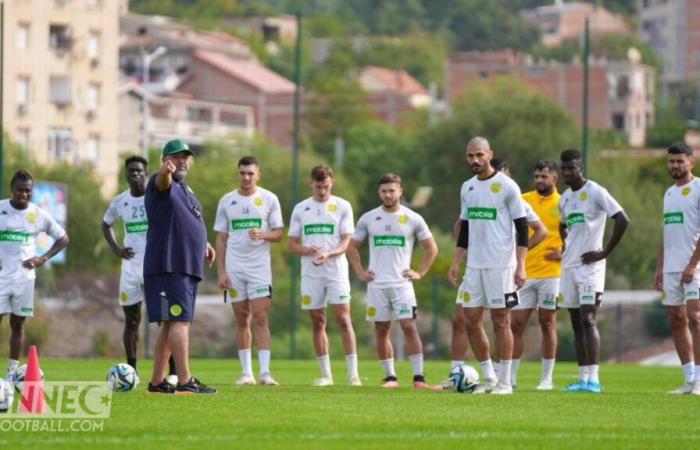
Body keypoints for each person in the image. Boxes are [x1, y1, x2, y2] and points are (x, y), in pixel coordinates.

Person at [445, 158, 546, 380]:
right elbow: (464, 227)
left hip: (502, 267)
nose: (474, 159)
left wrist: (521, 264)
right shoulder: (467, 186)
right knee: (469, 319)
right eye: (470, 155)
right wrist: (456, 261)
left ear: (489, 154)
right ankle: (489, 377)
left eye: (479, 154)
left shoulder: (509, 188)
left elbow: (525, 228)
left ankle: (505, 381)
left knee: (501, 320)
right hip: (474, 267)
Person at [347, 173, 438, 389]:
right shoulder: (369, 218)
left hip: (402, 285)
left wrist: (420, 273)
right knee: (381, 330)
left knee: (409, 327)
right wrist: (360, 271)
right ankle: (390, 378)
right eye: (384, 191)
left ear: (400, 191)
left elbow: (431, 248)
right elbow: (351, 247)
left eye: (392, 190)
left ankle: (419, 378)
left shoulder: (413, 218)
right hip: (377, 285)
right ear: (379, 192)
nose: (388, 194)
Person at [143, 139, 216, 395]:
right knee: (180, 321)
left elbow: (188, 221)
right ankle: (185, 380)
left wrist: (203, 242)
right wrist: (164, 172)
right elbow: (161, 184)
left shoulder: (186, 189)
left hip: (183, 264)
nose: (182, 160)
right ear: (166, 159)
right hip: (170, 264)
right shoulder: (161, 181)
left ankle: (156, 381)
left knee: (169, 323)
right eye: (176, 156)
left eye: (185, 156)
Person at [101, 156, 177, 383]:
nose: (135, 174)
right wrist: (116, 249)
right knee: (131, 320)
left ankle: (172, 371)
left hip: (156, 266)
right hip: (131, 268)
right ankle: (131, 371)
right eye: (131, 171)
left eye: (139, 171)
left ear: (146, 173)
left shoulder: (157, 196)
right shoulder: (120, 201)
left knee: (165, 319)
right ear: (126, 174)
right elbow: (105, 224)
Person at [558, 148, 629, 394]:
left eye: (572, 168)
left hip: (591, 268)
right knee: (576, 322)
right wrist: (566, 246)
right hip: (569, 266)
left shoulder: (596, 191)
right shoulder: (564, 198)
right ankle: (582, 379)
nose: (568, 172)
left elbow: (622, 219)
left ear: (581, 167)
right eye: (564, 168)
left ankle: (595, 381)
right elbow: (562, 225)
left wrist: (604, 252)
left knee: (588, 319)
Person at [288, 165, 361, 386]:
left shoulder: (342, 206)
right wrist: (306, 250)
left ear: (332, 183)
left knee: (343, 319)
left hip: (336, 271)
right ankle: (326, 375)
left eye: (326, 186)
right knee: (318, 321)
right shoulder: (301, 208)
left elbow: (347, 241)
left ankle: (353, 375)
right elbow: (291, 244)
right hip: (311, 273)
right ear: (311, 183)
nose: (322, 191)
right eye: (318, 186)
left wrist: (330, 253)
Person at [215, 156, 283, 386]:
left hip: (259, 269)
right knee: (242, 318)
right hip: (235, 268)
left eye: (250, 173)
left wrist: (263, 234)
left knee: (261, 317)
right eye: (243, 173)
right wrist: (221, 272)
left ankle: (265, 373)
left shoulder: (269, 199)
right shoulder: (226, 201)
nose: (246, 177)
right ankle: (247, 373)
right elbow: (221, 238)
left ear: (258, 175)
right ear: (238, 174)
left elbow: (278, 234)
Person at [0, 169, 69, 379]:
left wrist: (43, 258)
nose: (23, 195)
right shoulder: (1, 209)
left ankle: (12, 372)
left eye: (28, 191)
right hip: (2, 277)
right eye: (20, 190)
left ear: (32, 191)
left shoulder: (38, 214)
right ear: (12, 189)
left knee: (18, 324)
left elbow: (64, 238)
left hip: (24, 278)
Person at [511, 160, 562, 390]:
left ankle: (546, 378)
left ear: (555, 178)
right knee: (516, 324)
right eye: (537, 176)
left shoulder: (564, 203)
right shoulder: (522, 199)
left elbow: (577, 233)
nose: (540, 180)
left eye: (544, 176)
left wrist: (565, 252)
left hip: (552, 274)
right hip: (524, 272)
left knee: (547, 323)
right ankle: (510, 376)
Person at [654, 143, 700, 395]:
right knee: (676, 319)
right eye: (671, 161)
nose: (675, 165)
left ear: (691, 162)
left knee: (696, 319)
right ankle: (688, 380)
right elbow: (666, 233)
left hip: (695, 267)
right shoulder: (669, 193)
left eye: (680, 161)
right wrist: (659, 268)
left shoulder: (698, 188)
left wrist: (692, 264)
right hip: (671, 268)